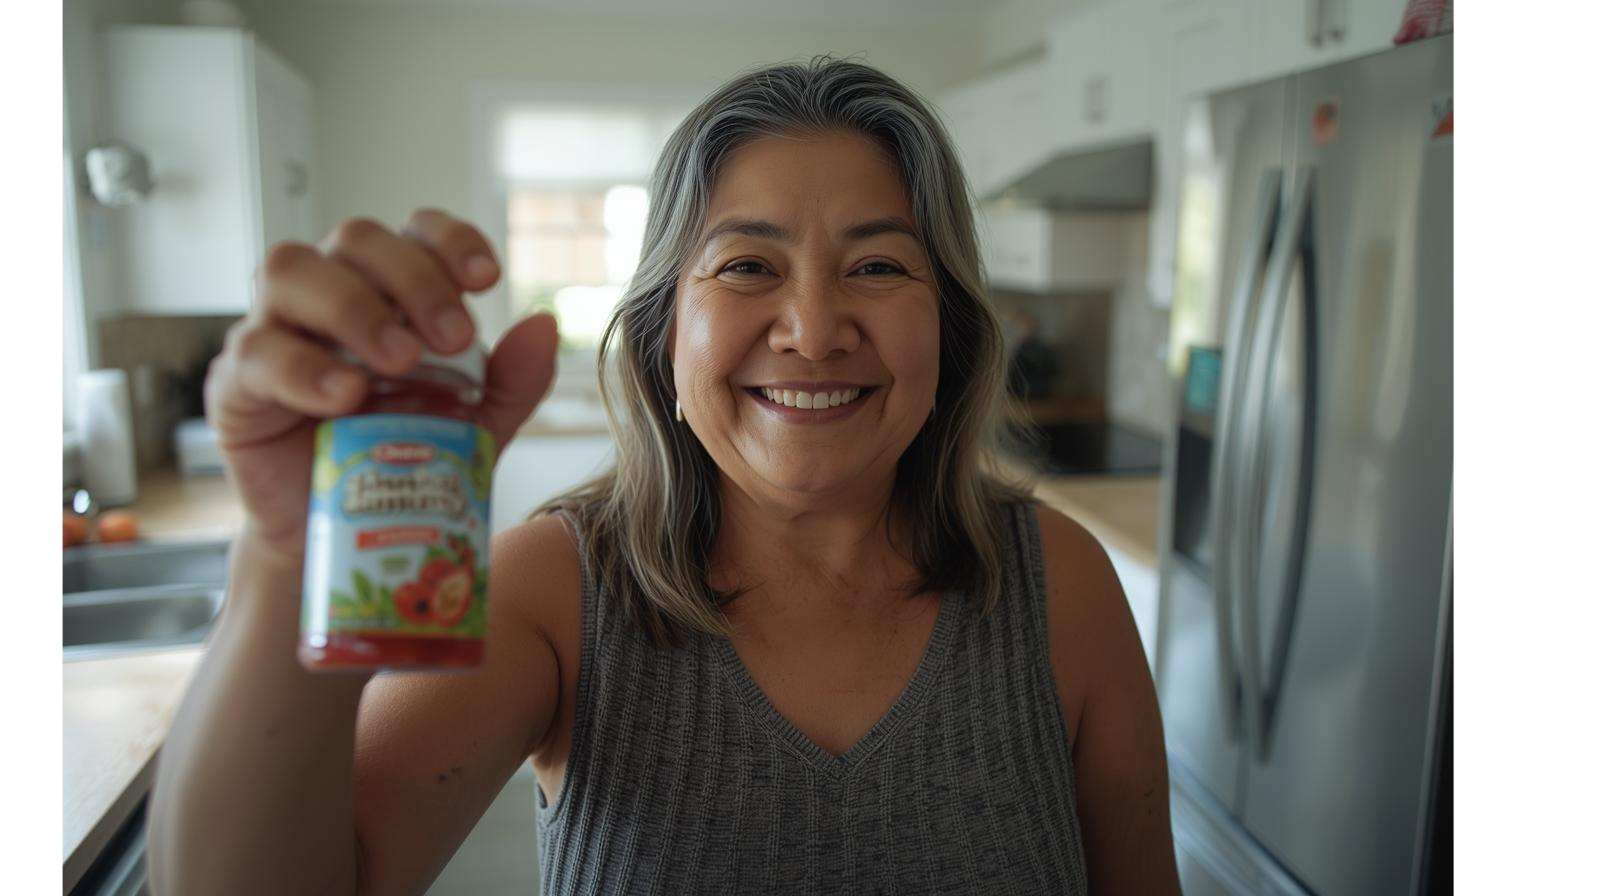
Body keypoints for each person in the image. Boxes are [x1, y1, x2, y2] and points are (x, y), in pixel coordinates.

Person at [148, 56, 1180, 895]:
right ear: (661, 342)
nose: (814, 329)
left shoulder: (1061, 583)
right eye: (745, 266)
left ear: (947, 331)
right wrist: (288, 557)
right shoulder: (557, 592)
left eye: (877, 265)